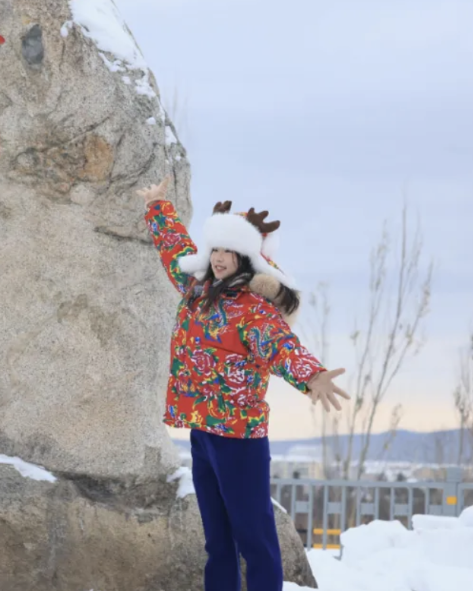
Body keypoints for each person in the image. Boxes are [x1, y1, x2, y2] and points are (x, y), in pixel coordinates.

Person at [136, 178, 348, 591]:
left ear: (245, 258)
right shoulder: (196, 290)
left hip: (239, 438)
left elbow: (282, 347)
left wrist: (312, 375)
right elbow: (174, 249)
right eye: (215, 249)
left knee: (255, 540)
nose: (218, 258)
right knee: (217, 542)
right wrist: (158, 206)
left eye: (228, 251)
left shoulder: (253, 311)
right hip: (203, 431)